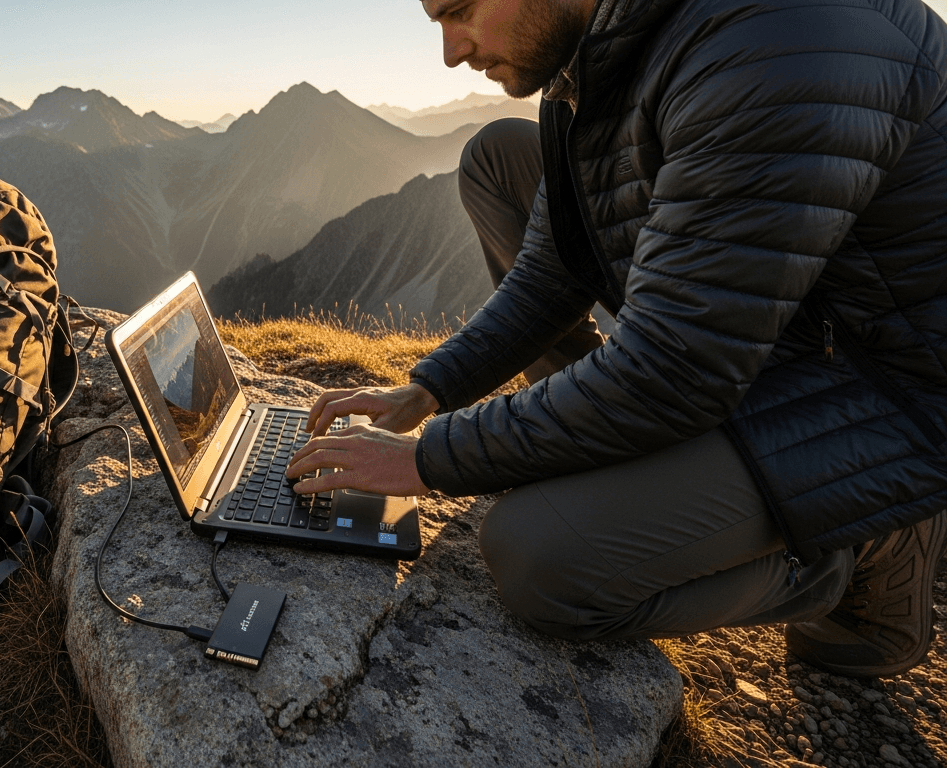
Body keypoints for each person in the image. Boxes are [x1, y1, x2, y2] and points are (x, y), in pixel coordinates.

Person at [286, 0, 947, 677]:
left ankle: (858, 547)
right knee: (498, 157)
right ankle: (597, 433)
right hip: (751, 325)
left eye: (460, 11)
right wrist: (429, 389)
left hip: (878, 384)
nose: (452, 51)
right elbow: (553, 269)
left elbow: (678, 370)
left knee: (538, 559)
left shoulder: (774, 41)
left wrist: (424, 460)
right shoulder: (599, 53)